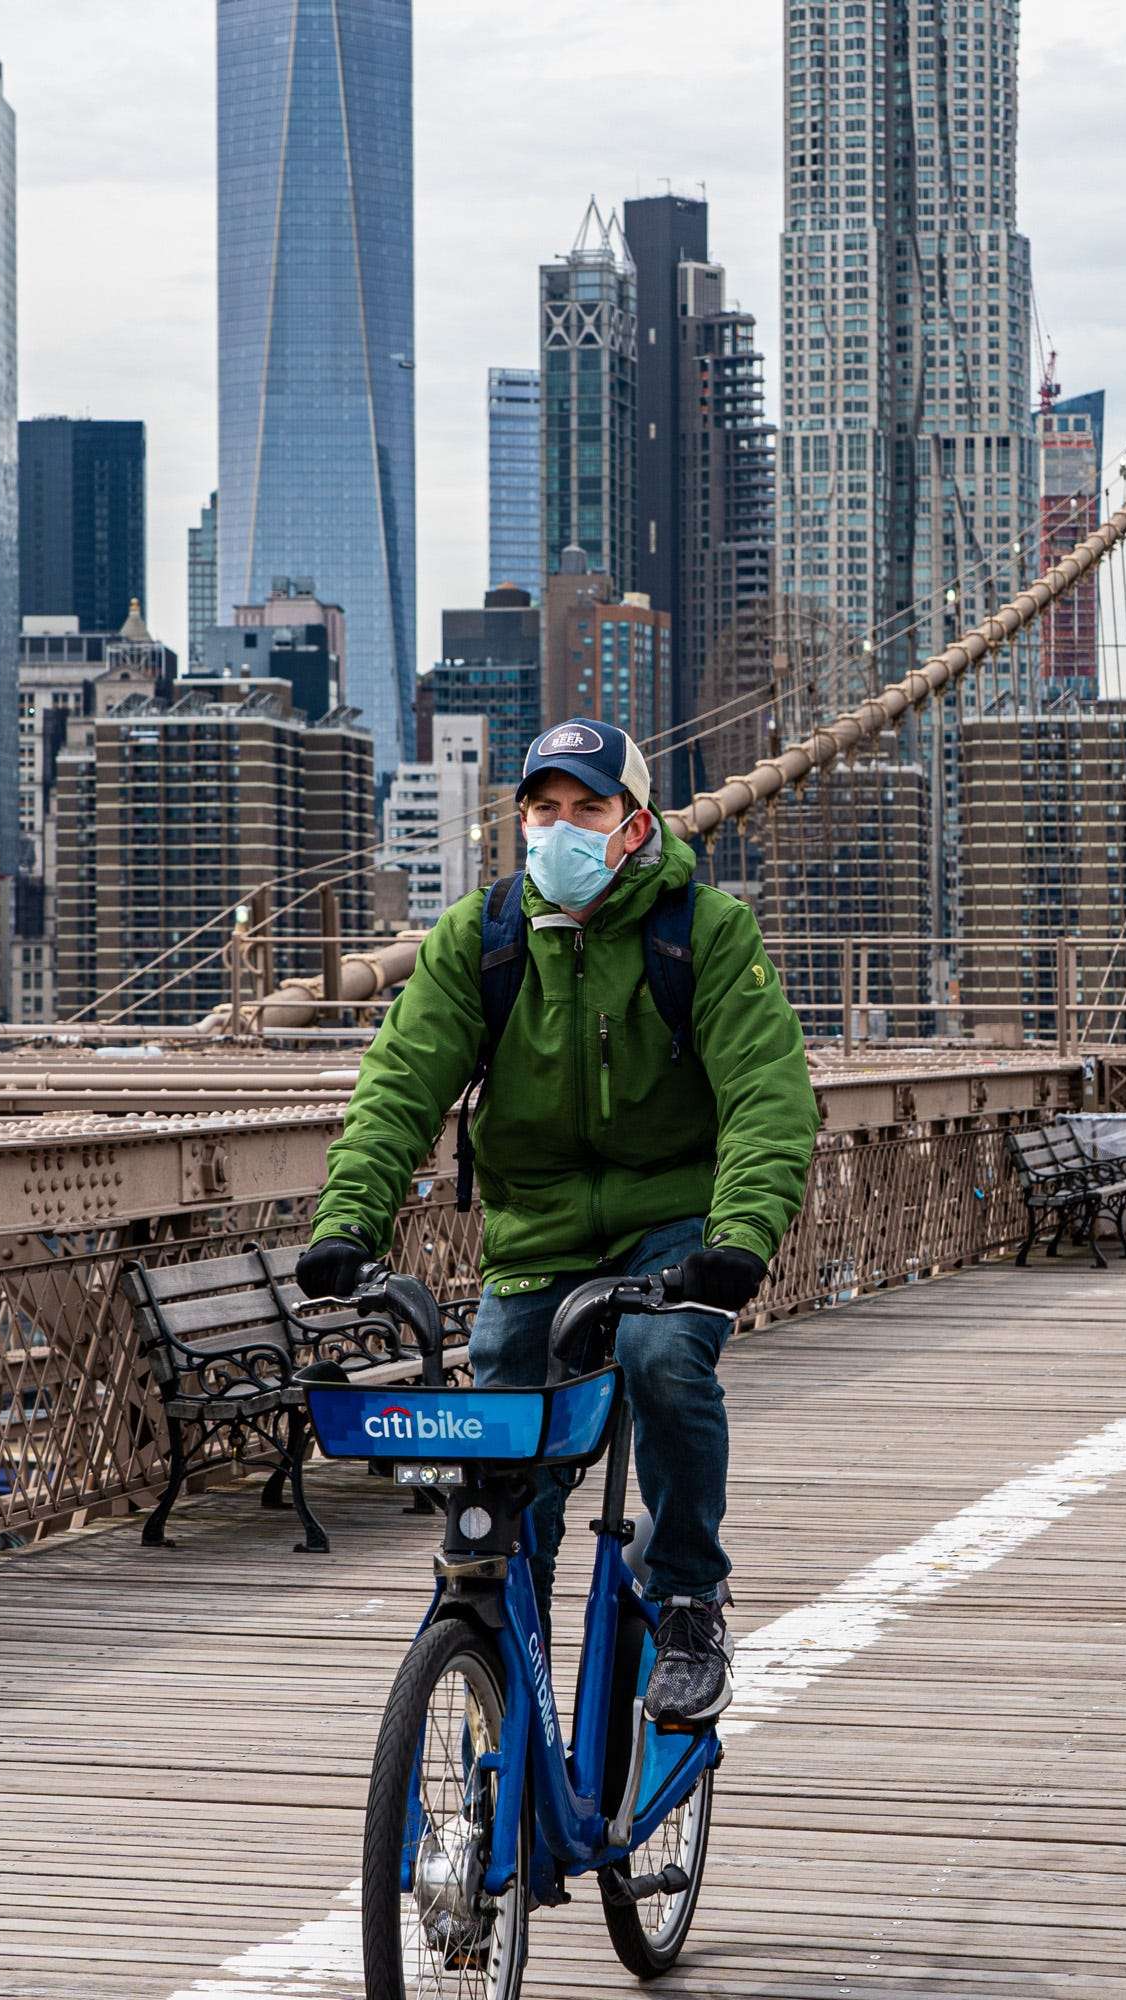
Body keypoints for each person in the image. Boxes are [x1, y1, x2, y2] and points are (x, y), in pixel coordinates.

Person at [297, 717, 819, 1723]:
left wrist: (737, 1242)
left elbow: (767, 1094)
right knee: (503, 1479)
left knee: (665, 1362)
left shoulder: (703, 933)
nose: (564, 827)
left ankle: (685, 1597)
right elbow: (400, 1082)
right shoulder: (481, 938)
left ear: (635, 825)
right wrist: (346, 1222)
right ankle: (497, 1662)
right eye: (545, 808)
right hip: (534, 1242)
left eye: (589, 807)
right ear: (522, 821)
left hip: (673, 1229)